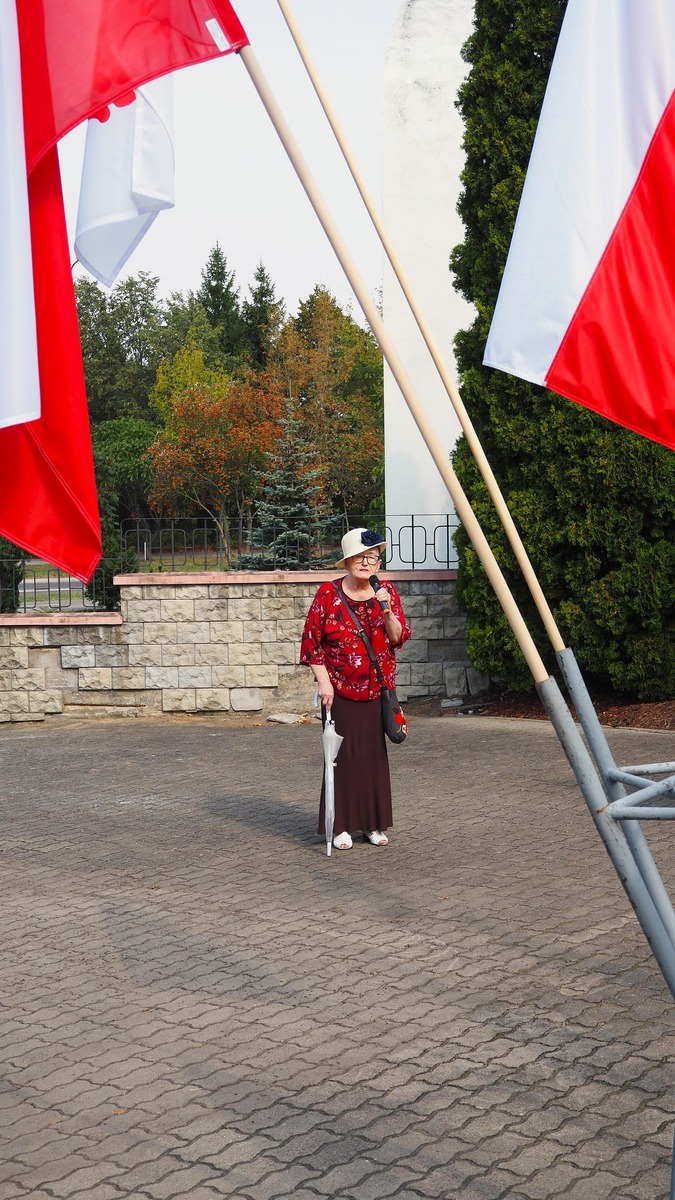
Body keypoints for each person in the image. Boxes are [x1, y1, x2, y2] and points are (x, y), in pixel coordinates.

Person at [300, 527, 411, 850]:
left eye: (372, 558)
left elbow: (397, 638)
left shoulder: (386, 591)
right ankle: (341, 827)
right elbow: (311, 644)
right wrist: (323, 682)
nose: (366, 563)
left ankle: (373, 825)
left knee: (374, 758)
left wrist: (386, 608)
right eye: (360, 558)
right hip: (341, 692)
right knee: (342, 758)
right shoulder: (328, 595)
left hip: (378, 691)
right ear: (347, 562)